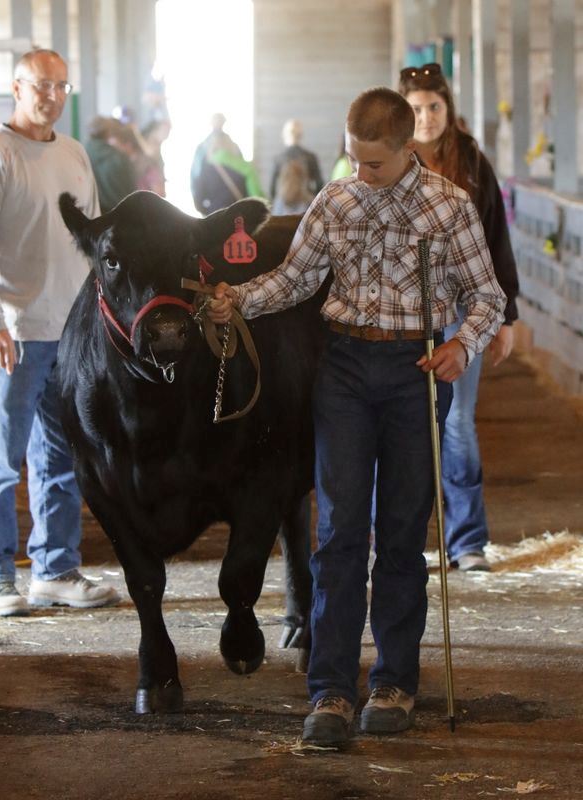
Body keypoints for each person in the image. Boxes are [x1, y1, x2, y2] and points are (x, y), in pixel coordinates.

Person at [207, 87, 506, 747]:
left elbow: (487, 294)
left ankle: (395, 680)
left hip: (416, 373)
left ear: (407, 149)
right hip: (342, 370)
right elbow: (296, 278)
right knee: (338, 531)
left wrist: (463, 344)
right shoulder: (335, 199)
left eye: (373, 163)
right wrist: (240, 301)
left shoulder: (449, 205)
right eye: (352, 160)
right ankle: (332, 693)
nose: (359, 175)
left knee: (400, 534)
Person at [0, 48, 120, 617]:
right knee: (0, 459)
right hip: (15, 331)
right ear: (16, 87)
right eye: (42, 85)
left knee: (60, 456)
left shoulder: (74, 153)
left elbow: (92, 242)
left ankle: (55, 568)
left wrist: (98, 320)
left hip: (70, 332)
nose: (52, 96)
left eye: (61, 86)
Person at [399, 63, 519, 572]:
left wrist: (505, 316)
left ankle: (466, 540)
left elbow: (496, 236)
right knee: (401, 424)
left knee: (456, 424)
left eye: (434, 107)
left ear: (448, 107)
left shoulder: (469, 160)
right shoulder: (387, 157)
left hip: (463, 311)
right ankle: (398, 543)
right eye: (416, 108)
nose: (425, 118)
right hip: (399, 314)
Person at [85, 116, 138, 213]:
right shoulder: (119, 158)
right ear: (108, 132)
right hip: (121, 216)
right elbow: (133, 192)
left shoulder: (81, 156)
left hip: (93, 218)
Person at [270, 118, 324, 199]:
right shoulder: (311, 157)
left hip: (284, 204)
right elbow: (319, 184)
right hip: (307, 205)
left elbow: (272, 189)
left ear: (284, 135)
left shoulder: (278, 158)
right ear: (301, 135)